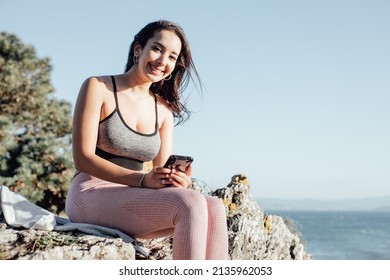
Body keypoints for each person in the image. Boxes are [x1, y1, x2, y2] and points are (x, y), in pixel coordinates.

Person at [65, 20, 229, 260]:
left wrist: (174, 180)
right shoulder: (98, 87)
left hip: (132, 196)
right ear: (138, 49)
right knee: (190, 204)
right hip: (89, 193)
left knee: (214, 206)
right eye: (157, 49)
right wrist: (142, 180)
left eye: (172, 57)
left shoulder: (164, 110)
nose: (163, 61)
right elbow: (82, 159)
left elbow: (159, 174)